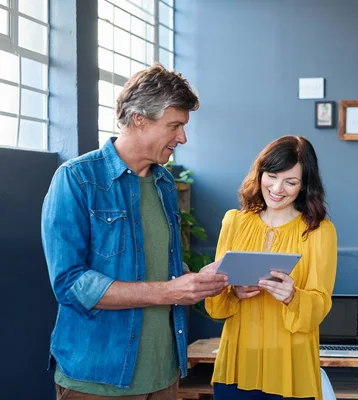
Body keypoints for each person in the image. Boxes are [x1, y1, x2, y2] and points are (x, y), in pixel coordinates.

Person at [41, 63, 228, 399]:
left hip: (164, 375)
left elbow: (157, 267)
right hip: (98, 379)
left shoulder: (165, 183)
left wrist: (198, 279)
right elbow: (70, 285)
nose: (182, 138)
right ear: (139, 118)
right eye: (175, 126)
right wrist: (168, 293)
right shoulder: (76, 179)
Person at [206, 136, 338, 400]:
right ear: (260, 174)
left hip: (291, 365)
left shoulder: (319, 231)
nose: (278, 188)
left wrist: (293, 296)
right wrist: (233, 292)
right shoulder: (234, 222)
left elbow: (321, 304)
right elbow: (215, 303)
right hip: (238, 362)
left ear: (304, 187)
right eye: (272, 176)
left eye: (291, 182)